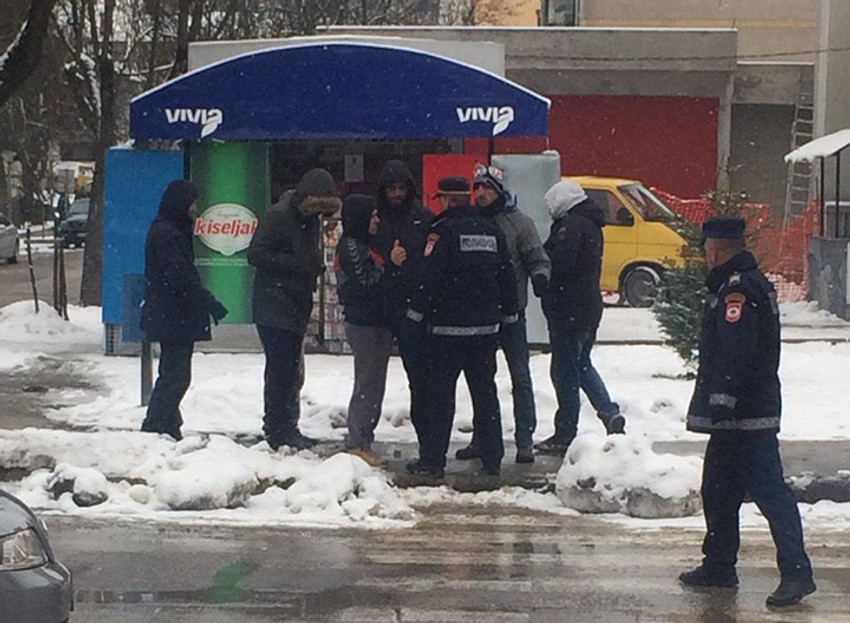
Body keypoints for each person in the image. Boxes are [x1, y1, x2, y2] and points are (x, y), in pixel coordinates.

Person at [678, 215, 816, 608]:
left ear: (715, 250)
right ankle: (719, 564)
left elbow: (736, 349)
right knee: (718, 491)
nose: (705, 256)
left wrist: (723, 398)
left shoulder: (737, 290)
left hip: (746, 415)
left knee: (771, 494)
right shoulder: (741, 284)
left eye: (706, 249)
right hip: (738, 416)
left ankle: (797, 574)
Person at [404, 177, 519, 480]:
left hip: (447, 331)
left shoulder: (442, 231)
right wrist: (509, 313)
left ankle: (433, 461)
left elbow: (429, 276)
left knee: (440, 398)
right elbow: (506, 274)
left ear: (445, 199)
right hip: (485, 330)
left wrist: (414, 315)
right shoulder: (491, 230)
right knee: (485, 395)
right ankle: (492, 458)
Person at [454, 164, 551, 464]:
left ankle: (525, 439)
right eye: (476, 188)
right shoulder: (471, 221)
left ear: (498, 191)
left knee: (520, 377)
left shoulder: (519, 223)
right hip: (481, 315)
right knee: (482, 381)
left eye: (486, 188)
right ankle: (482, 438)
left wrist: (540, 276)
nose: (480, 193)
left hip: (511, 315)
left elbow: (537, 257)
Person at [248, 168, 341, 451]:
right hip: (275, 303)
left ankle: (287, 426)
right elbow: (256, 254)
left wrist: (310, 266)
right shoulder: (279, 216)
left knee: (290, 370)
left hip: (293, 302)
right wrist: (299, 266)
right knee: (281, 370)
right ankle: (278, 429)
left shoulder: (308, 218)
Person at [536, 179, 625, 456]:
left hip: (569, 309)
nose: (550, 209)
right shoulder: (591, 223)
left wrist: (542, 260)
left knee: (564, 372)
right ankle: (609, 413)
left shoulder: (571, 225)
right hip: (588, 307)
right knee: (582, 364)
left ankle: (565, 433)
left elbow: (562, 262)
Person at [140, 179, 228, 441]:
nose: (194, 208)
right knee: (176, 376)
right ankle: (156, 425)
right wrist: (207, 301)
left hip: (172, 314)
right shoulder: (168, 234)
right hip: (173, 315)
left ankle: (167, 424)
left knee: (173, 373)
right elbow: (179, 277)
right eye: (191, 203)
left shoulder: (170, 230)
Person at [371, 160, 434, 441]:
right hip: (381, 306)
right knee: (371, 379)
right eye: (391, 189)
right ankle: (362, 436)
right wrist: (388, 261)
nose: (397, 194)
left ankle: (427, 440)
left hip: (414, 307)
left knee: (420, 378)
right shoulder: (375, 219)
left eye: (401, 188)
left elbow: (432, 260)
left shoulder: (422, 217)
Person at [335, 194, 392, 467]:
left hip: (376, 322)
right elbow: (366, 283)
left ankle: (364, 438)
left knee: (375, 384)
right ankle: (357, 442)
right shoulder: (352, 247)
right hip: (364, 324)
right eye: (372, 216)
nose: (376, 221)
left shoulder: (365, 244)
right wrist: (390, 263)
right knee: (367, 384)